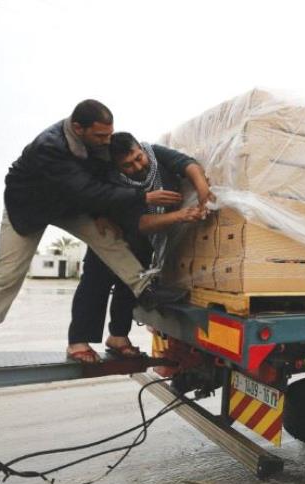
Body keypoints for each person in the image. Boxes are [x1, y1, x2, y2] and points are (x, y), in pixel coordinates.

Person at [0, 101, 187, 371]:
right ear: (78, 128)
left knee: (110, 241)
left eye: (108, 134)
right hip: (29, 207)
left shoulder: (100, 143)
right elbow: (85, 189)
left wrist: (101, 214)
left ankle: (146, 291)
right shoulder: (49, 146)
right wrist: (141, 196)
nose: (106, 141)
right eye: (100, 135)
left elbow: (99, 182)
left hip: (71, 204)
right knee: (7, 273)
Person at [66, 132, 213, 362]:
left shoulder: (155, 153)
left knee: (130, 288)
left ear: (141, 149)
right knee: (95, 286)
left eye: (138, 157)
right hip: (112, 237)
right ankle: (78, 342)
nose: (137, 166)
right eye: (128, 165)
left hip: (144, 242)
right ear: (116, 166)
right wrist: (179, 215)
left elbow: (188, 164)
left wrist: (204, 192)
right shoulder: (113, 180)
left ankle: (118, 337)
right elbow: (139, 224)